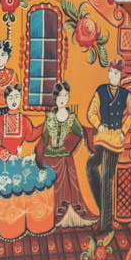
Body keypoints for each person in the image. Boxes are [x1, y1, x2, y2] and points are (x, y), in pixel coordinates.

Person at [37, 80, 98, 228]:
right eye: (60, 96)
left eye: (65, 96)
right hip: (49, 157)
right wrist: (38, 156)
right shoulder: (50, 117)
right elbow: (44, 138)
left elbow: (81, 131)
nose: (63, 99)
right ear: (55, 99)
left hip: (64, 157)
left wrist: (69, 145)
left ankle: (69, 215)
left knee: (70, 181)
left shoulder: (72, 118)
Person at [85, 63, 130, 231]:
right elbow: (91, 112)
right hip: (102, 138)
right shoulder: (101, 91)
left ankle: (105, 225)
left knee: (106, 176)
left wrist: (124, 130)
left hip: (115, 141)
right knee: (90, 166)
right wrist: (98, 124)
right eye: (110, 72)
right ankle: (104, 210)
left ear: (121, 76)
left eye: (116, 73)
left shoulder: (125, 94)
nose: (112, 76)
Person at [0, 85, 34, 158]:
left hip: (18, 158)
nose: (14, 101)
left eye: (16, 97)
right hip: (2, 160)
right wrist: (8, 156)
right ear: (6, 100)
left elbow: (31, 136)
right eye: (10, 98)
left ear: (20, 98)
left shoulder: (25, 120)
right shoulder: (0, 120)